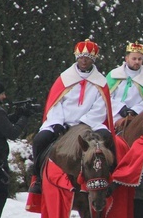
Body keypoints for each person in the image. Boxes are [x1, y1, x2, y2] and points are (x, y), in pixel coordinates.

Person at [30, 39, 115, 194]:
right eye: (81, 56)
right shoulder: (64, 79)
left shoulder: (100, 82)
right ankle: (38, 178)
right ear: (76, 57)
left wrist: (84, 123)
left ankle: (109, 177)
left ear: (93, 59)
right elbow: (56, 103)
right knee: (40, 140)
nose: (84, 60)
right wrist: (57, 122)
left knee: (108, 139)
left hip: (89, 124)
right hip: (62, 123)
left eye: (88, 57)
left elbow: (100, 107)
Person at [0, 80, 31, 218]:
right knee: (1, 192)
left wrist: (16, 115)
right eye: (2, 93)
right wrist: (24, 117)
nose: (5, 96)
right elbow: (12, 133)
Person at [106, 42, 143, 127]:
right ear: (127, 59)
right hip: (113, 114)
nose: (137, 62)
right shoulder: (113, 75)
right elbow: (106, 97)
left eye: (140, 59)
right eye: (134, 59)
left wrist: (134, 111)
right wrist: (120, 108)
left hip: (137, 118)